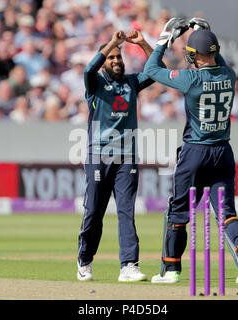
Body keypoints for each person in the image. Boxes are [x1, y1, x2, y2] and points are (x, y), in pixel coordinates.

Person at [143, 18, 238, 284]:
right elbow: (220, 60)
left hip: (195, 152)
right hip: (223, 152)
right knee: (226, 212)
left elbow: (150, 68)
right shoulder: (229, 75)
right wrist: (204, 33)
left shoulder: (191, 79)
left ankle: (171, 270)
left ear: (195, 55)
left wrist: (165, 39)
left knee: (179, 211)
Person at [77, 29, 161, 282]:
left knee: (126, 211)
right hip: (98, 156)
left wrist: (144, 43)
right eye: (111, 57)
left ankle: (129, 265)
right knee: (94, 211)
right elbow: (88, 70)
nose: (116, 61)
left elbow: (159, 70)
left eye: (119, 57)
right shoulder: (95, 83)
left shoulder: (132, 82)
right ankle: (85, 260)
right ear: (104, 61)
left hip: (127, 157)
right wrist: (113, 42)